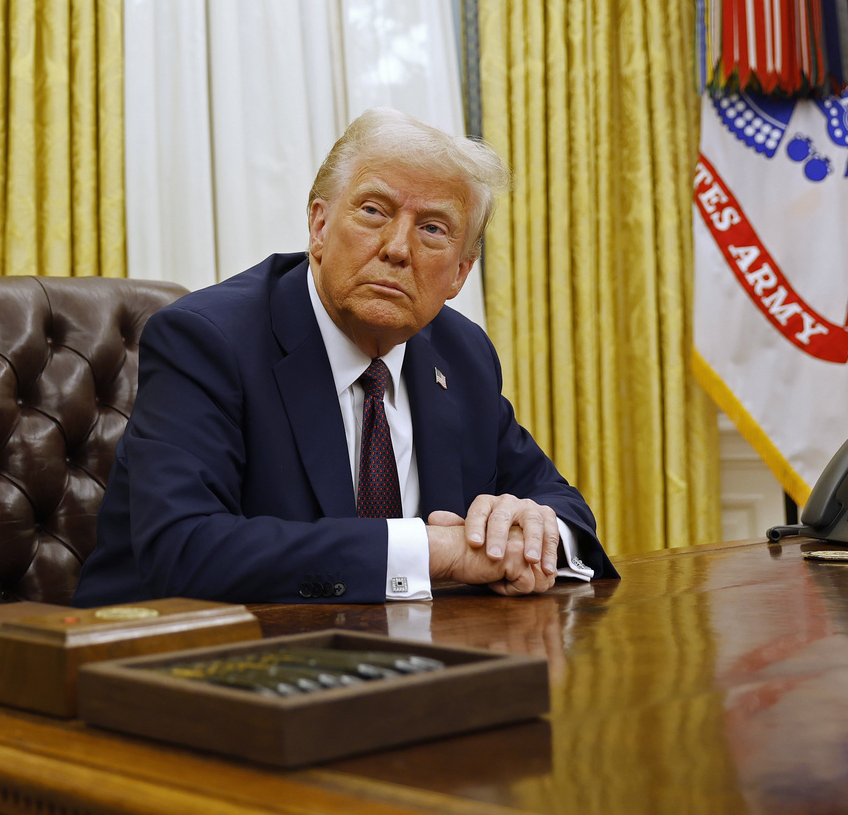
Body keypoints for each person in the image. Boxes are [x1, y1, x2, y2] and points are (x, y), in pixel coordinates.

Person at [74, 108, 615, 606]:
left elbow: (564, 507)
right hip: (166, 667)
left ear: (459, 273)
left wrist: (534, 530)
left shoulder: (461, 354)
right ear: (319, 226)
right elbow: (183, 549)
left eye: (432, 228)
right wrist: (433, 551)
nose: (397, 248)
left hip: (399, 669)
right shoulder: (209, 341)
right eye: (374, 211)